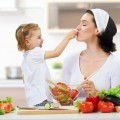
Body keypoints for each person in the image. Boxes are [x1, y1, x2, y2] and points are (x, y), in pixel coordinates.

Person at [62, 8, 120, 99]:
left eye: (84, 24)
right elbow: (62, 98)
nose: (77, 28)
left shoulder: (115, 64)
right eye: (79, 23)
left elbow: (118, 102)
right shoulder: (69, 60)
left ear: (98, 30)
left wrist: (96, 93)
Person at [15, 23, 77, 107]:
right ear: (27, 41)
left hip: (33, 100)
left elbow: (25, 79)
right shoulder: (35, 52)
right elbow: (56, 53)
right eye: (39, 37)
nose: (42, 39)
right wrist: (67, 37)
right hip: (41, 99)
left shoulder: (26, 57)